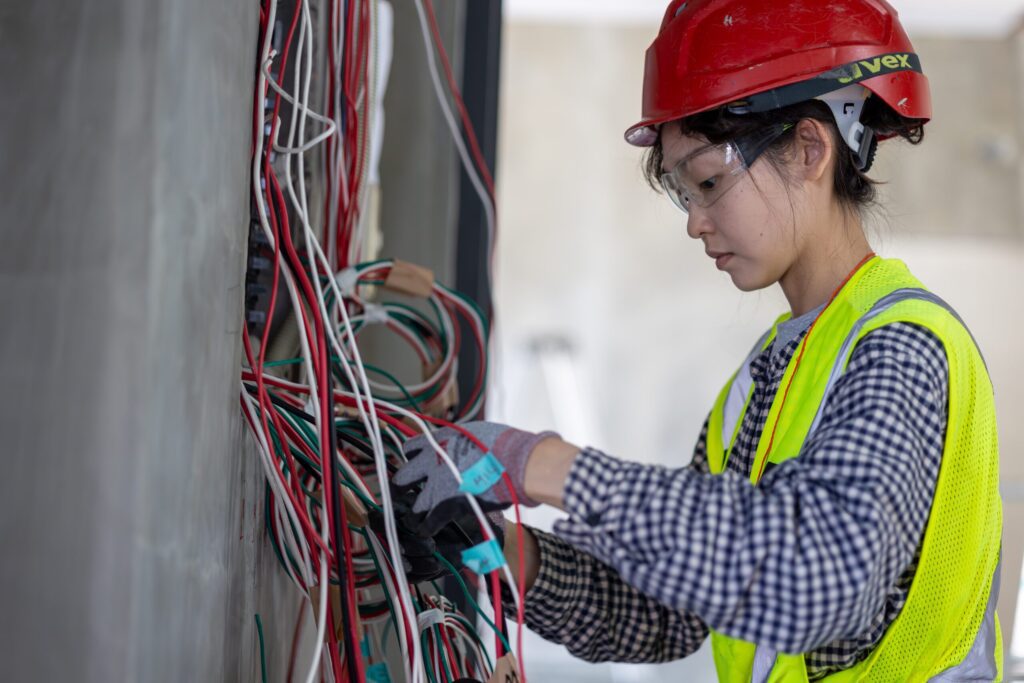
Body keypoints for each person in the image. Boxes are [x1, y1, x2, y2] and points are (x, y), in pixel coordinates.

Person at [393, 0, 1004, 680]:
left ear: (810, 150)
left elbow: (816, 579)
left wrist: (546, 463)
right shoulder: (772, 374)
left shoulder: (902, 349)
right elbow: (668, 608)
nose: (695, 222)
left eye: (709, 181)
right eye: (684, 193)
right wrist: (501, 550)